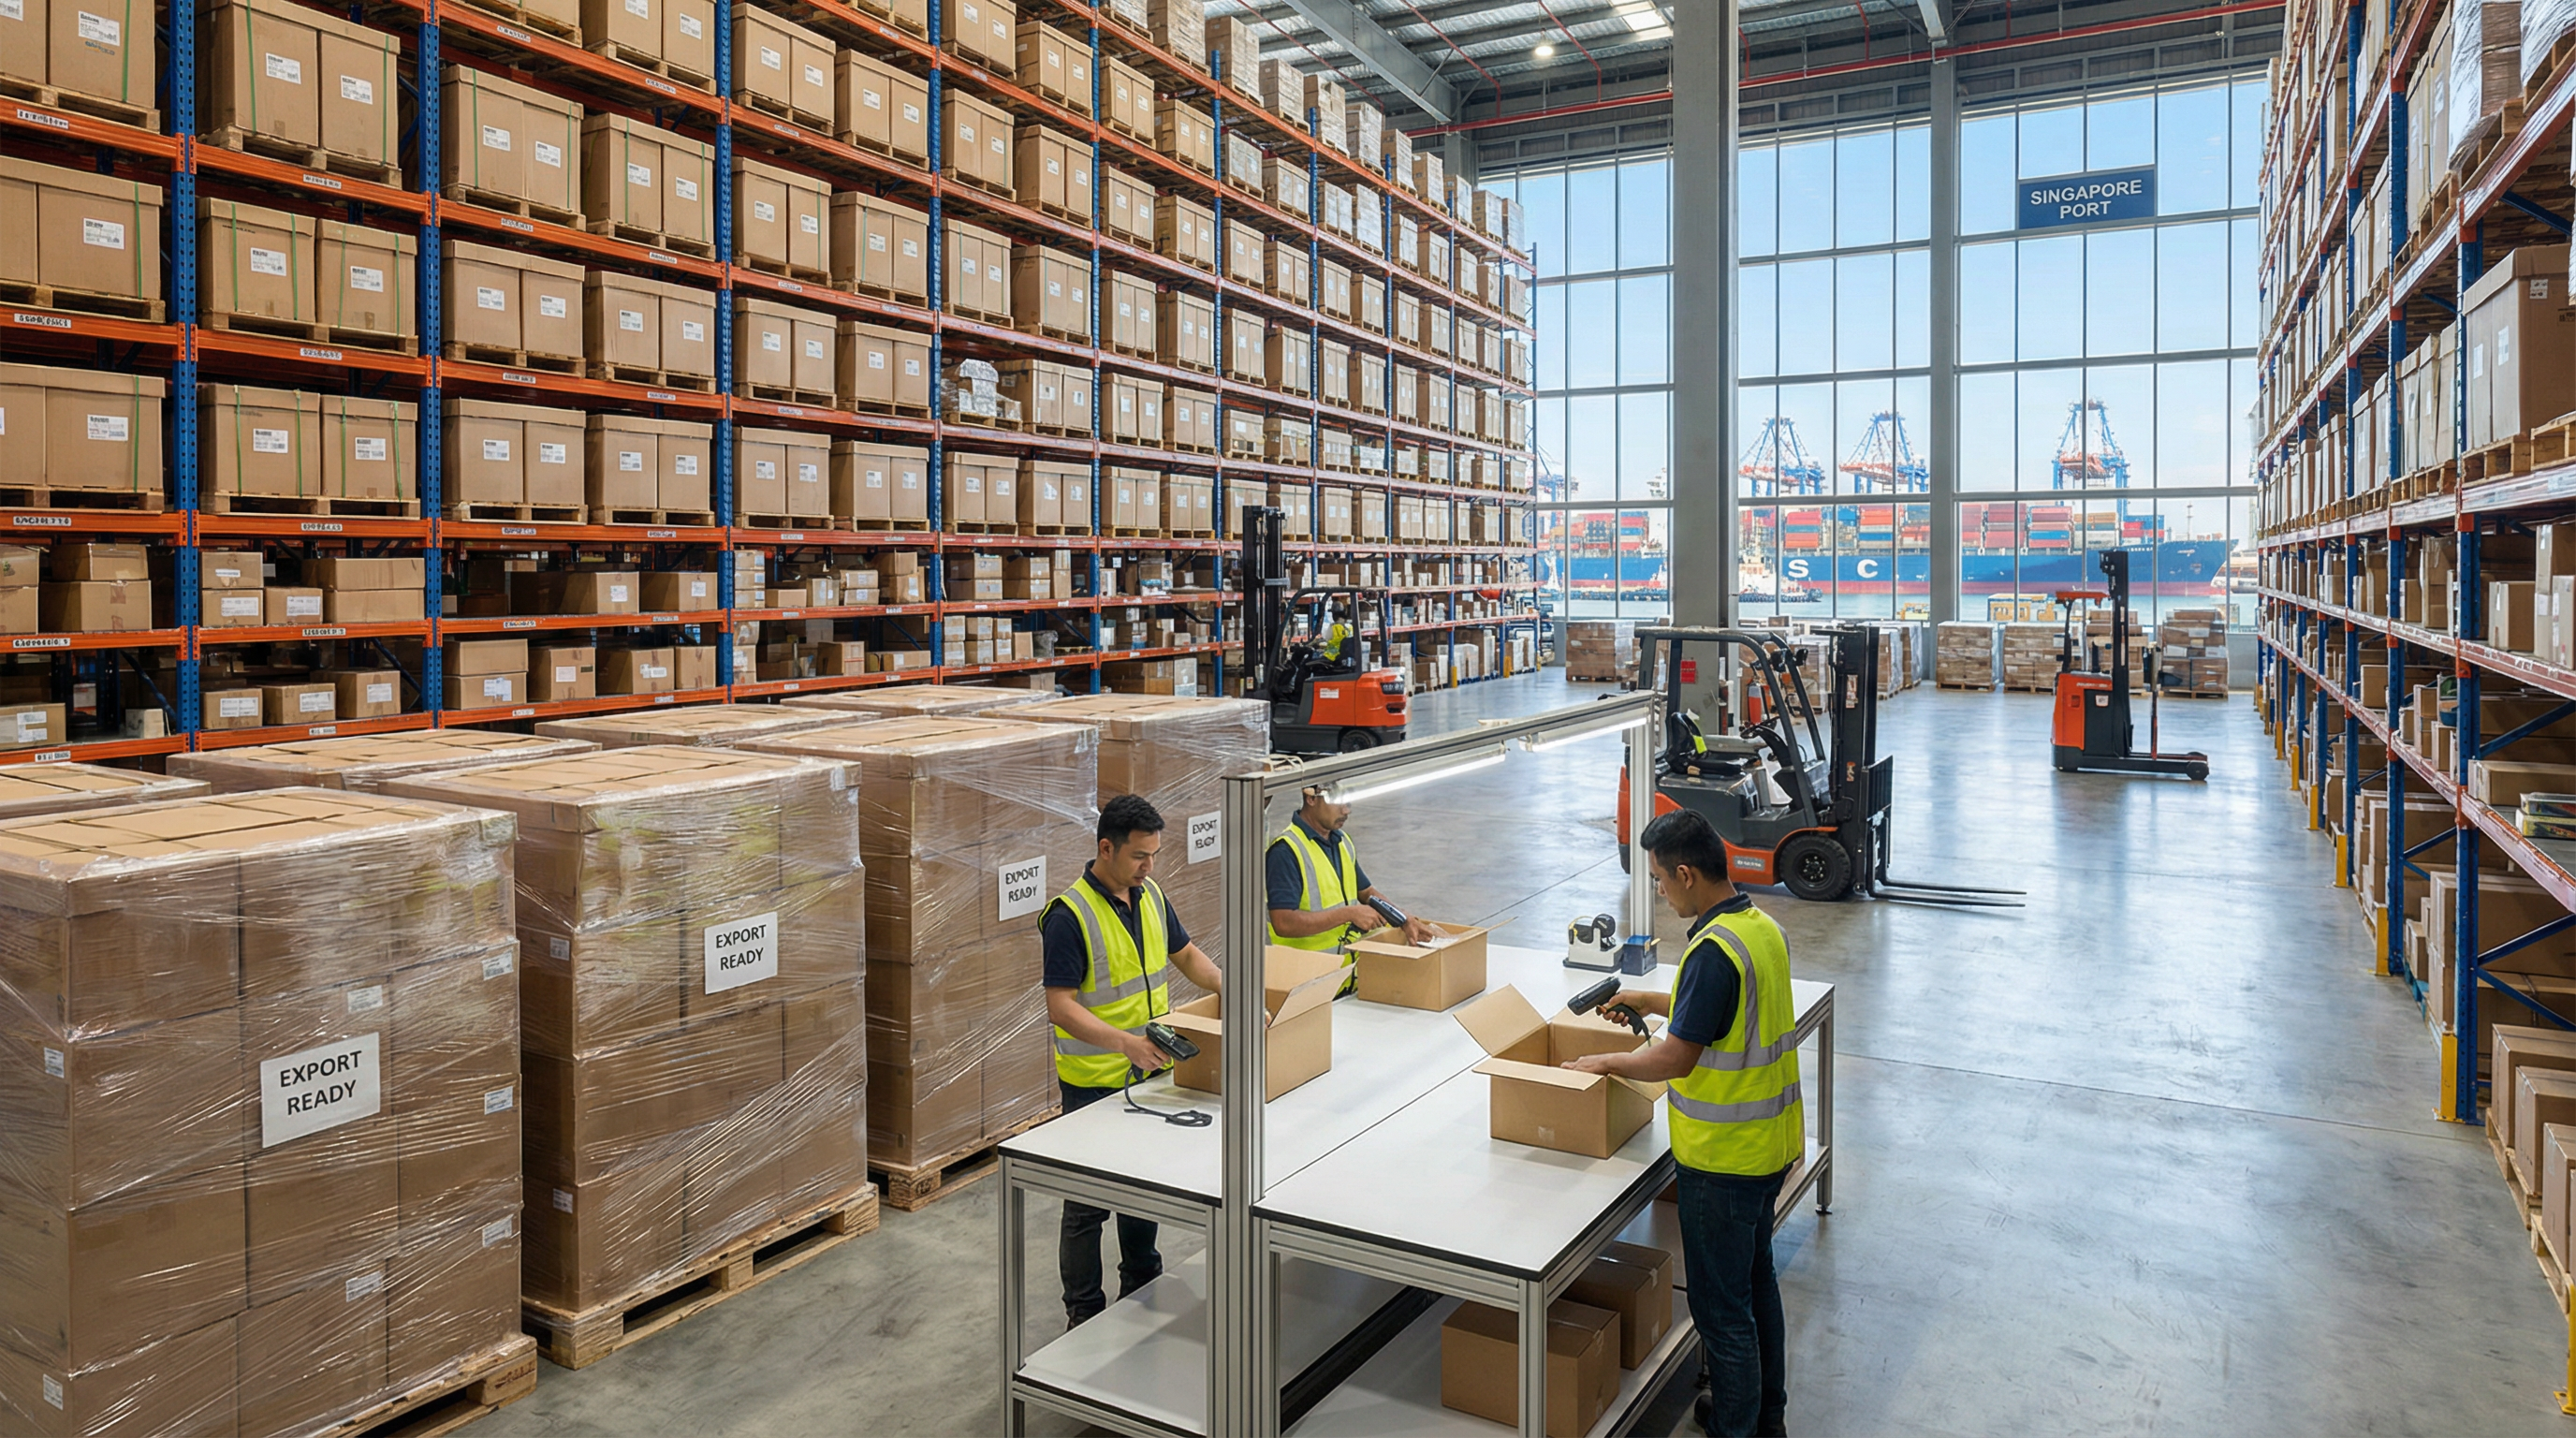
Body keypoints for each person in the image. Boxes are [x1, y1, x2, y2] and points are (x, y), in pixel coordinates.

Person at [1563, 808, 1801, 1438]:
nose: (1661, 892)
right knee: (1756, 1287)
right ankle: (1764, 1419)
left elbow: (1675, 1058)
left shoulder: (1713, 950)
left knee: (1721, 1312)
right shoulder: (1759, 929)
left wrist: (1605, 1062)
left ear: (1687, 874)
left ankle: (1735, 1429)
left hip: (1723, 1161)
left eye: (1660, 880)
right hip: (1768, 1148)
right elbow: (1729, 1012)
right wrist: (1654, 1000)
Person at [1040, 794, 1225, 1328]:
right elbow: (1060, 1007)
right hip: (1093, 1082)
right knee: (1087, 1205)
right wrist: (1125, 1043)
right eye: (1140, 856)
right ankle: (1083, 1314)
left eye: (1155, 855)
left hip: (1149, 1073)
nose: (1149, 866)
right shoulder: (1070, 915)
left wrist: (1231, 987)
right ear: (1107, 848)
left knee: (1142, 1188)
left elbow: (1186, 955)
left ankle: (1142, 1288)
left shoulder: (1151, 895)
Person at [1266, 785, 1437, 986]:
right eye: (1338, 802)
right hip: (1305, 984)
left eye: (1348, 802)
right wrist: (1349, 914)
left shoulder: (1341, 841)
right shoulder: (1286, 852)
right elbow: (1284, 923)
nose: (1346, 810)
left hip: (1343, 981)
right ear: (1311, 798)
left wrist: (1403, 919)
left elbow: (1367, 893)